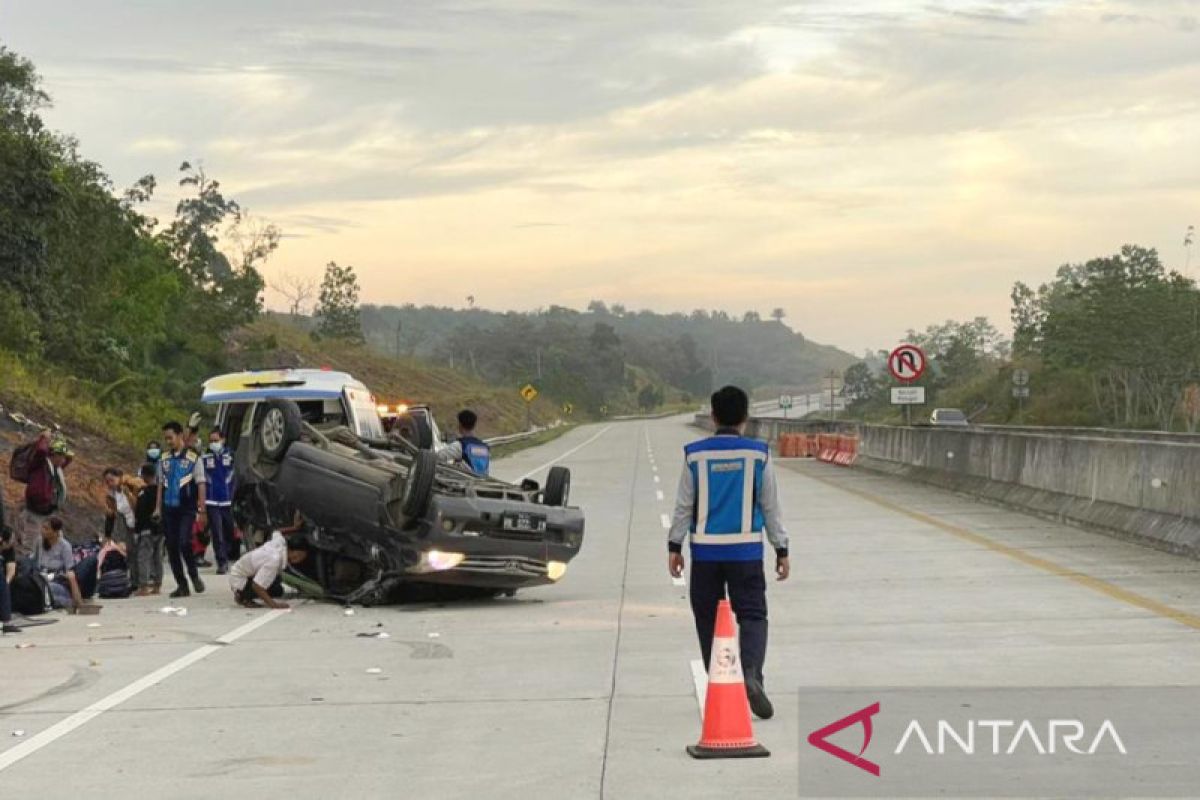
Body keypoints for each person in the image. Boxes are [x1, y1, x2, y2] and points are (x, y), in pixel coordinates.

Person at [668, 385, 790, 721]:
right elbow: (771, 506)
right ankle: (752, 672)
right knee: (752, 614)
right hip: (746, 552)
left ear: (713, 415)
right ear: (745, 418)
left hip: (705, 554)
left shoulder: (695, 454)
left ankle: (724, 683)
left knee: (708, 618)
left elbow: (683, 506)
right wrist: (781, 548)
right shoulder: (758, 454)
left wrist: (674, 546)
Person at [156, 421, 207, 598]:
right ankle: (182, 585)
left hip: (187, 508)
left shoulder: (193, 458)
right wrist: (157, 508)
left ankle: (194, 575)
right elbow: (160, 485)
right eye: (166, 438)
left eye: (170, 437)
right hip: (169, 509)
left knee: (185, 542)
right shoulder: (164, 459)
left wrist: (202, 509)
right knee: (171, 547)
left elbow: (201, 483)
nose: (168, 441)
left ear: (179, 436)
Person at [18, 431, 72, 558]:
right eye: (62, 456)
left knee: (55, 541)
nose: (64, 460)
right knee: (29, 547)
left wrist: (60, 441)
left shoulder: (55, 469)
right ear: (54, 455)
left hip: (48, 513)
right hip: (34, 514)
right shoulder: (40, 463)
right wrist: (45, 438)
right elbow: (42, 450)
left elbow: (70, 457)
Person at [228, 530, 306, 610]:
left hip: (242, 570)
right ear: (290, 550)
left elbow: (277, 532)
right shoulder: (274, 560)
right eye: (298, 555)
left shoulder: (280, 542)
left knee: (277, 585)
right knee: (274, 590)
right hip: (239, 579)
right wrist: (274, 605)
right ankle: (242, 595)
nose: (298, 560)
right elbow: (257, 586)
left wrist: (294, 528)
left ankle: (242, 592)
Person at [201, 428, 236, 574]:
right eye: (211, 441)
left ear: (223, 440)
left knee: (229, 531)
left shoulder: (231, 455)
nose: (213, 443)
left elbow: (234, 476)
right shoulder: (205, 457)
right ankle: (221, 562)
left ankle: (228, 555)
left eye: (216, 440)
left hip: (227, 500)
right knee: (217, 532)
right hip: (212, 500)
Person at [35, 517, 87, 612]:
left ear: (55, 532)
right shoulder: (40, 542)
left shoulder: (65, 546)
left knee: (47, 589)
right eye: (42, 527)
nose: (42, 531)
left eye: (46, 529)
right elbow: (35, 561)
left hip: (58, 581)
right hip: (42, 577)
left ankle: (65, 602)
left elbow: (70, 572)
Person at [103, 467, 141, 583]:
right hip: (129, 525)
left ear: (119, 478)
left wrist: (128, 494)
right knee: (130, 553)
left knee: (142, 554)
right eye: (107, 481)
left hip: (141, 523)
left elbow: (138, 506)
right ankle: (135, 581)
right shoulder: (111, 495)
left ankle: (147, 580)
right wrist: (108, 535)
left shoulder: (132, 487)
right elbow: (111, 515)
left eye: (112, 480)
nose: (110, 483)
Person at [133, 463, 164, 596]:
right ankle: (157, 585)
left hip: (146, 530)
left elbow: (140, 513)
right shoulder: (161, 491)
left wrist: (137, 530)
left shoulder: (143, 493)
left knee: (143, 557)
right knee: (158, 557)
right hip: (160, 529)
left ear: (144, 476)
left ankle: (143, 585)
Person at [437, 409, 491, 475]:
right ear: (474, 426)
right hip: (484, 482)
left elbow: (438, 457)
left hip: (465, 482)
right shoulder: (484, 447)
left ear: (460, 425)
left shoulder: (460, 445)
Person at [1, 488, 18, 634]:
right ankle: (6, 620)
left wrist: (6, 583)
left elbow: (11, 569)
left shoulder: (8, 550)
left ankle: (6, 620)